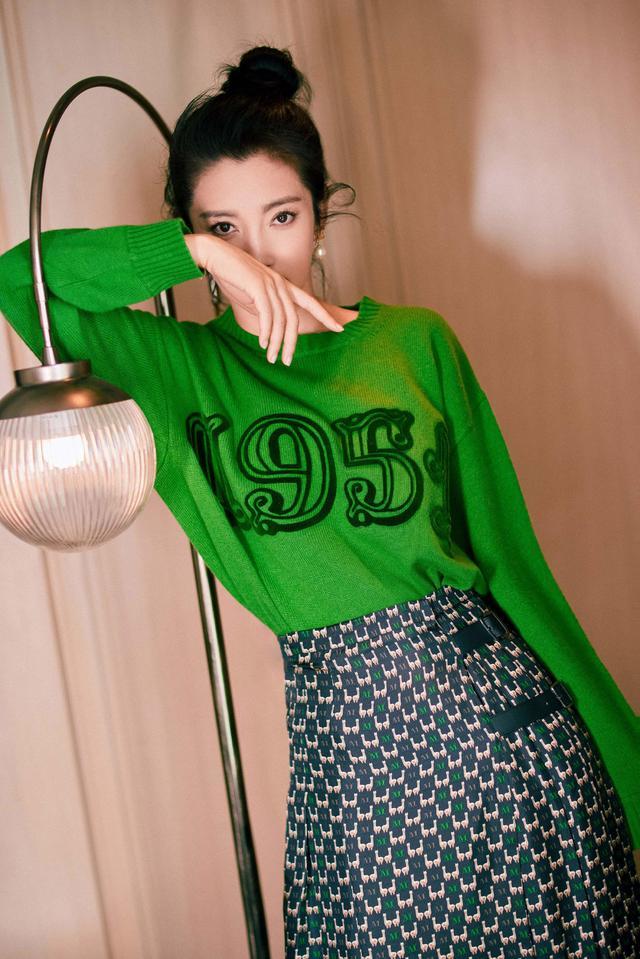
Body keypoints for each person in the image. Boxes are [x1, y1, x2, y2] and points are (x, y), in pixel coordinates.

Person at [1, 43, 638, 958]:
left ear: (321, 215)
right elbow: (17, 278)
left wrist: (629, 773)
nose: (261, 253)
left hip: (512, 753)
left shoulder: (414, 344)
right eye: (224, 227)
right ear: (190, 233)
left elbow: (511, 566)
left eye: (283, 216)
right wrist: (193, 255)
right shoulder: (178, 370)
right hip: (353, 776)